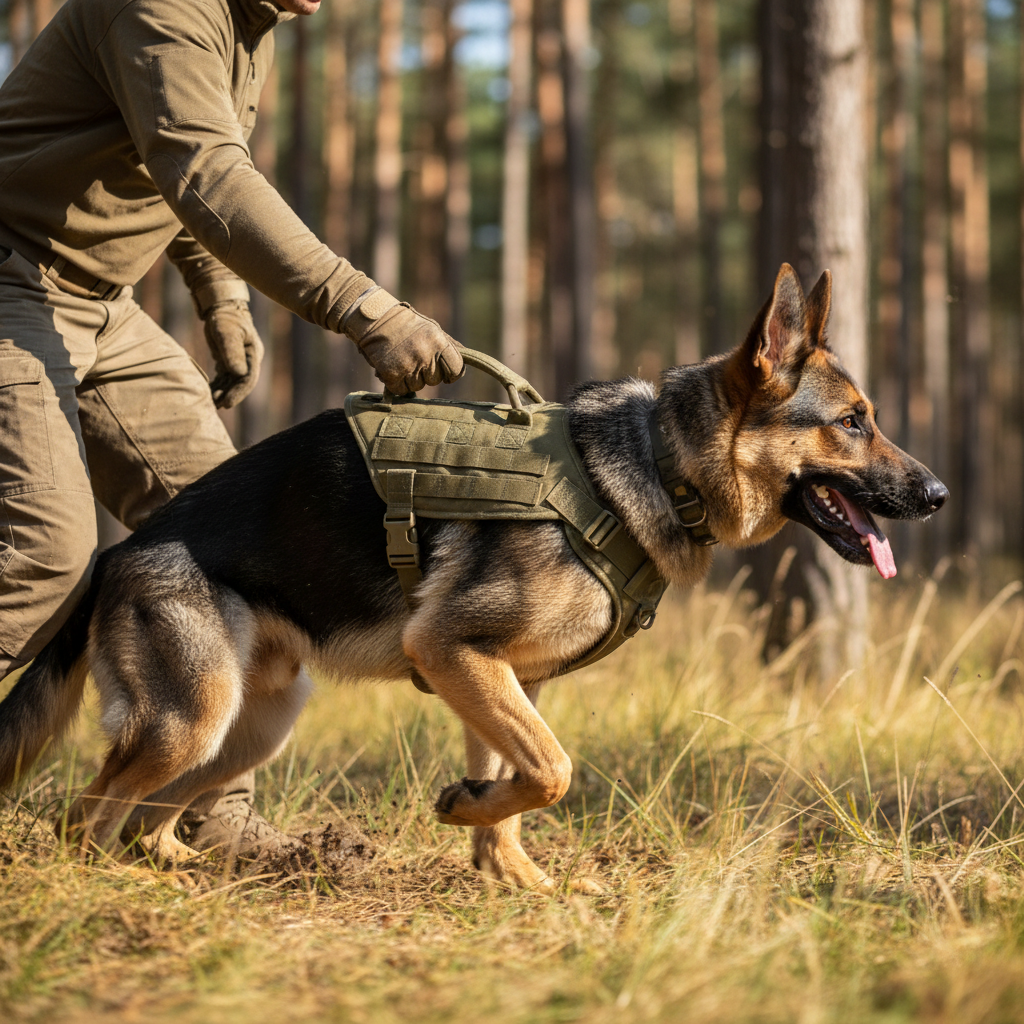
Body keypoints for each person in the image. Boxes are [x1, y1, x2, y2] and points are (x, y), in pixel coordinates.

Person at [0, 0, 463, 855]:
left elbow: (182, 161)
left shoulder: (251, 23)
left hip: (101, 306)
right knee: (48, 553)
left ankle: (190, 814)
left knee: (228, 542)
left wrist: (222, 300)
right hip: (12, 281)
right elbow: (203, 170)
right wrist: (363, 308)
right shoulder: (161, 6)